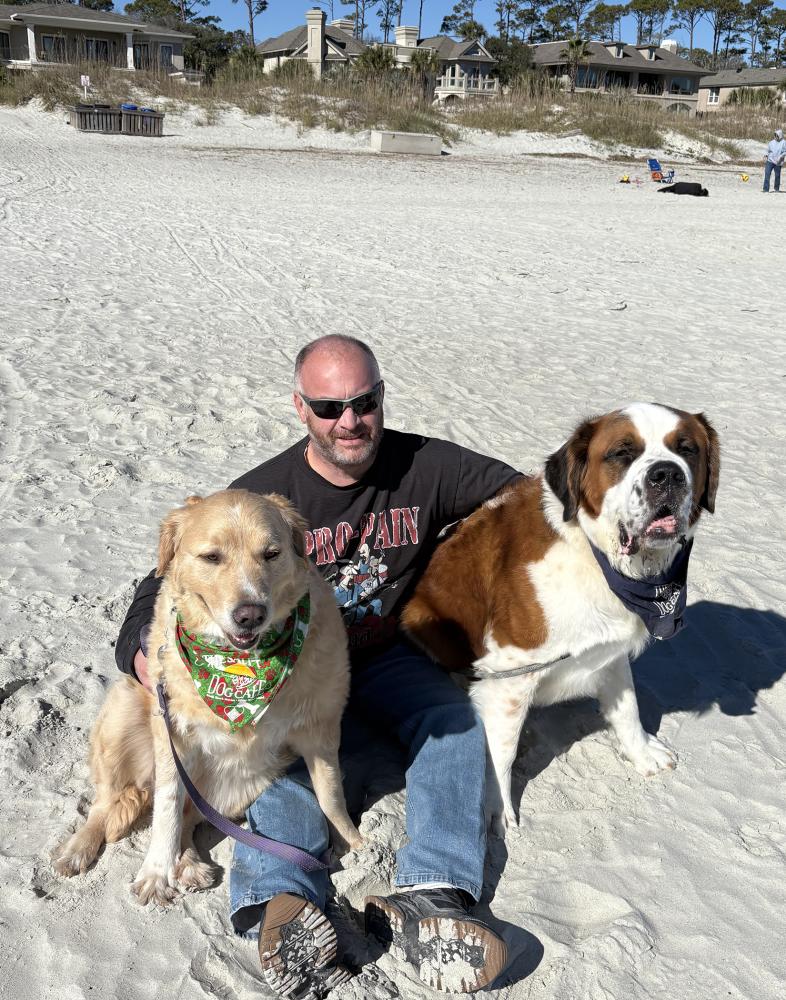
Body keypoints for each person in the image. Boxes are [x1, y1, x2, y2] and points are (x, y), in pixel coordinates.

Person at [116, 335, 523, 997]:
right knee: (279, 770)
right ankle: (282, 907)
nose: (350, 420)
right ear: (301, 408)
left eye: (364, 402)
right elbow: (168, 574)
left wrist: (466, 567)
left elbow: (527, 500)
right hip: (288, 672)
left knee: (455, 726)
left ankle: (436, 894)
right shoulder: (263, 498)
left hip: (388, 656)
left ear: (381, 398)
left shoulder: (428, 465)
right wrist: (141, 645)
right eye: (330, 407)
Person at [762, 128, 786, 193]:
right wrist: (765, 155)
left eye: (777, 135)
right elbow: (767, 150)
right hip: (770, 161)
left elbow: (785, 152)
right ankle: (765, 189)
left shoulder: (784, 143)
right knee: (767, 174)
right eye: (775, 135)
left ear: (780, 135)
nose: (775, 136)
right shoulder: (771, 142)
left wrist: (781, 156)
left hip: (778, 162)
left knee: (777, 176)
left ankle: (776, 189)